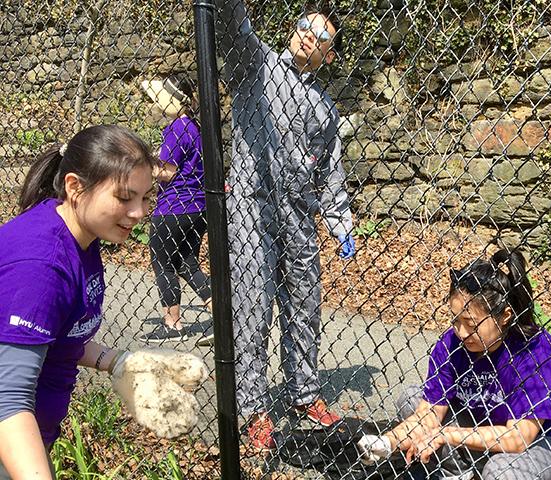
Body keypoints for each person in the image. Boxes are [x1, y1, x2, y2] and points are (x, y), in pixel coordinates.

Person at [217, 0, 357, 448]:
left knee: (305, 305)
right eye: (304, 26)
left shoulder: (325, 108)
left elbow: (329, 171)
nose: (309, 36)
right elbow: (234, 29)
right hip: (250, 207)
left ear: (329, 56)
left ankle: (304, 394)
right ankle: (253, 407)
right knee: (253, 307)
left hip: (298, 214)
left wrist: (340, 220)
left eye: (322, 36)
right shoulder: (255, 66)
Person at [0, 125, 163, 477]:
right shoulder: (42, 267)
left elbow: (55, 335)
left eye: (145, 198)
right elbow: (7, 401)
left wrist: (115, 361)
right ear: (75, 187)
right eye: (125, 197)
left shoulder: (80, 237)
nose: (139, 212)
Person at [357, 250, 551, 480]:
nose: (461, 332)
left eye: (471, 323)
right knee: (412, 399)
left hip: (548, 443)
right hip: (487, 430)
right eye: (456, 320)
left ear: (505, 316)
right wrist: (387, 442)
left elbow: (519, 438)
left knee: (502, 470)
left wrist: (447, 434)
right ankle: (462, 473)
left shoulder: (534, 349)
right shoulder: (451, 344)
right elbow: (429, 414)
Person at [138, 73, 213, 344]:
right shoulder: (196, 128)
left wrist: (140, 160)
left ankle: (172, 324)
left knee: (162, 262)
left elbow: (167, 172)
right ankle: (222, 316)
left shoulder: (176, 129)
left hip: (174, 206)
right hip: (199, 207)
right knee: (187, 262)